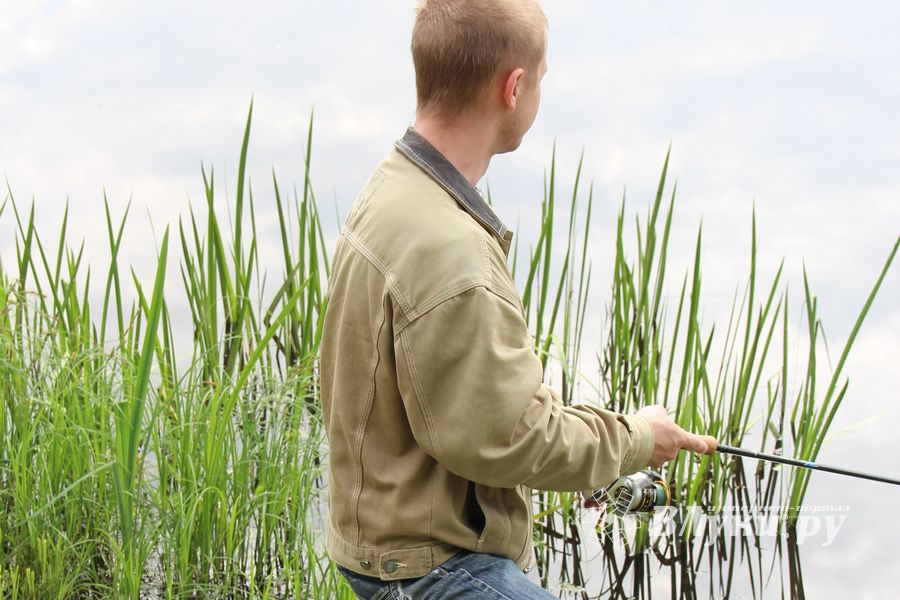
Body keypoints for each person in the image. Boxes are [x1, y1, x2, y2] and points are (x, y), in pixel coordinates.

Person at [319, 1, 711, 597]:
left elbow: (469, 409)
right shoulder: (453, 253)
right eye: (542, 79)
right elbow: (512, 437)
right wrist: (634, 439)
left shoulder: (391, 191)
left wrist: (588, 438)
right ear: (514, 87)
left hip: (380, 545)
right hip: (432, 568)